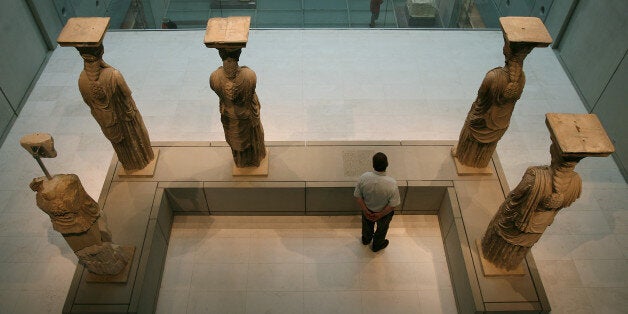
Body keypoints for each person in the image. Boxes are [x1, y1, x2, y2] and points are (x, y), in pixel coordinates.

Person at [481, 142, 582, 270]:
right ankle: (507, 265)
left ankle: (494, 261)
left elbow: (515, 196)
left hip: (519, 221)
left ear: (554, 153)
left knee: (500, 244)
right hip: (540, 225)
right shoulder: (577, 182)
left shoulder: (535, 175)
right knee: (517, 249)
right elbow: (566, 204)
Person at [76, 44, 154, 171]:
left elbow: (87, 102)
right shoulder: (113, 74)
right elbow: (127, 94)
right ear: (101, 51)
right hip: (125, 118)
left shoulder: (81, 79)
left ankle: (130, 164)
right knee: (135, 143)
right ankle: (142, 161)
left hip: (105, 121)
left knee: (122, 148)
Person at [210, 48, 266, 168]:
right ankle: (253, 160)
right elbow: (251, 96)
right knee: (252, 141)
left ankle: (241, 162)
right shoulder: (249, 75)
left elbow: (221, 97)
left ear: (220, 54)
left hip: (230, 119)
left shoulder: (214, 77)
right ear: (239, 53)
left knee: (237, 146)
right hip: (247, 117)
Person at [354, 152, 401, 252]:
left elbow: (358, 196)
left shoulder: (364, 177)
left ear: (373, 164)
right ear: (387, 164)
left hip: (367, 209)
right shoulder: (392, 183)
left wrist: (366, 211)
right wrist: (380, 214)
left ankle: (366, 240)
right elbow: (393, 205)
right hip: (384, 213)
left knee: (366, 226)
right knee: (382, 229)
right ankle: (377, 245)